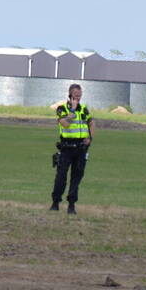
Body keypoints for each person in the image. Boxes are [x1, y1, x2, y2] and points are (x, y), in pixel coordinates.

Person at [50, 84, 94, 215]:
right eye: (76, 96)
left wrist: (90, 138)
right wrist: (73, 111)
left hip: (81, 148)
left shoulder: (84, 109)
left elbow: (91, 123)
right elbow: (65, 124)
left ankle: (72, 205)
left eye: (80, 96)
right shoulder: (61, 108)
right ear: (70, 95)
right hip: (66, 147)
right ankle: (55, 203)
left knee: (76, 177)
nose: (78, 98)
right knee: (61, 177)